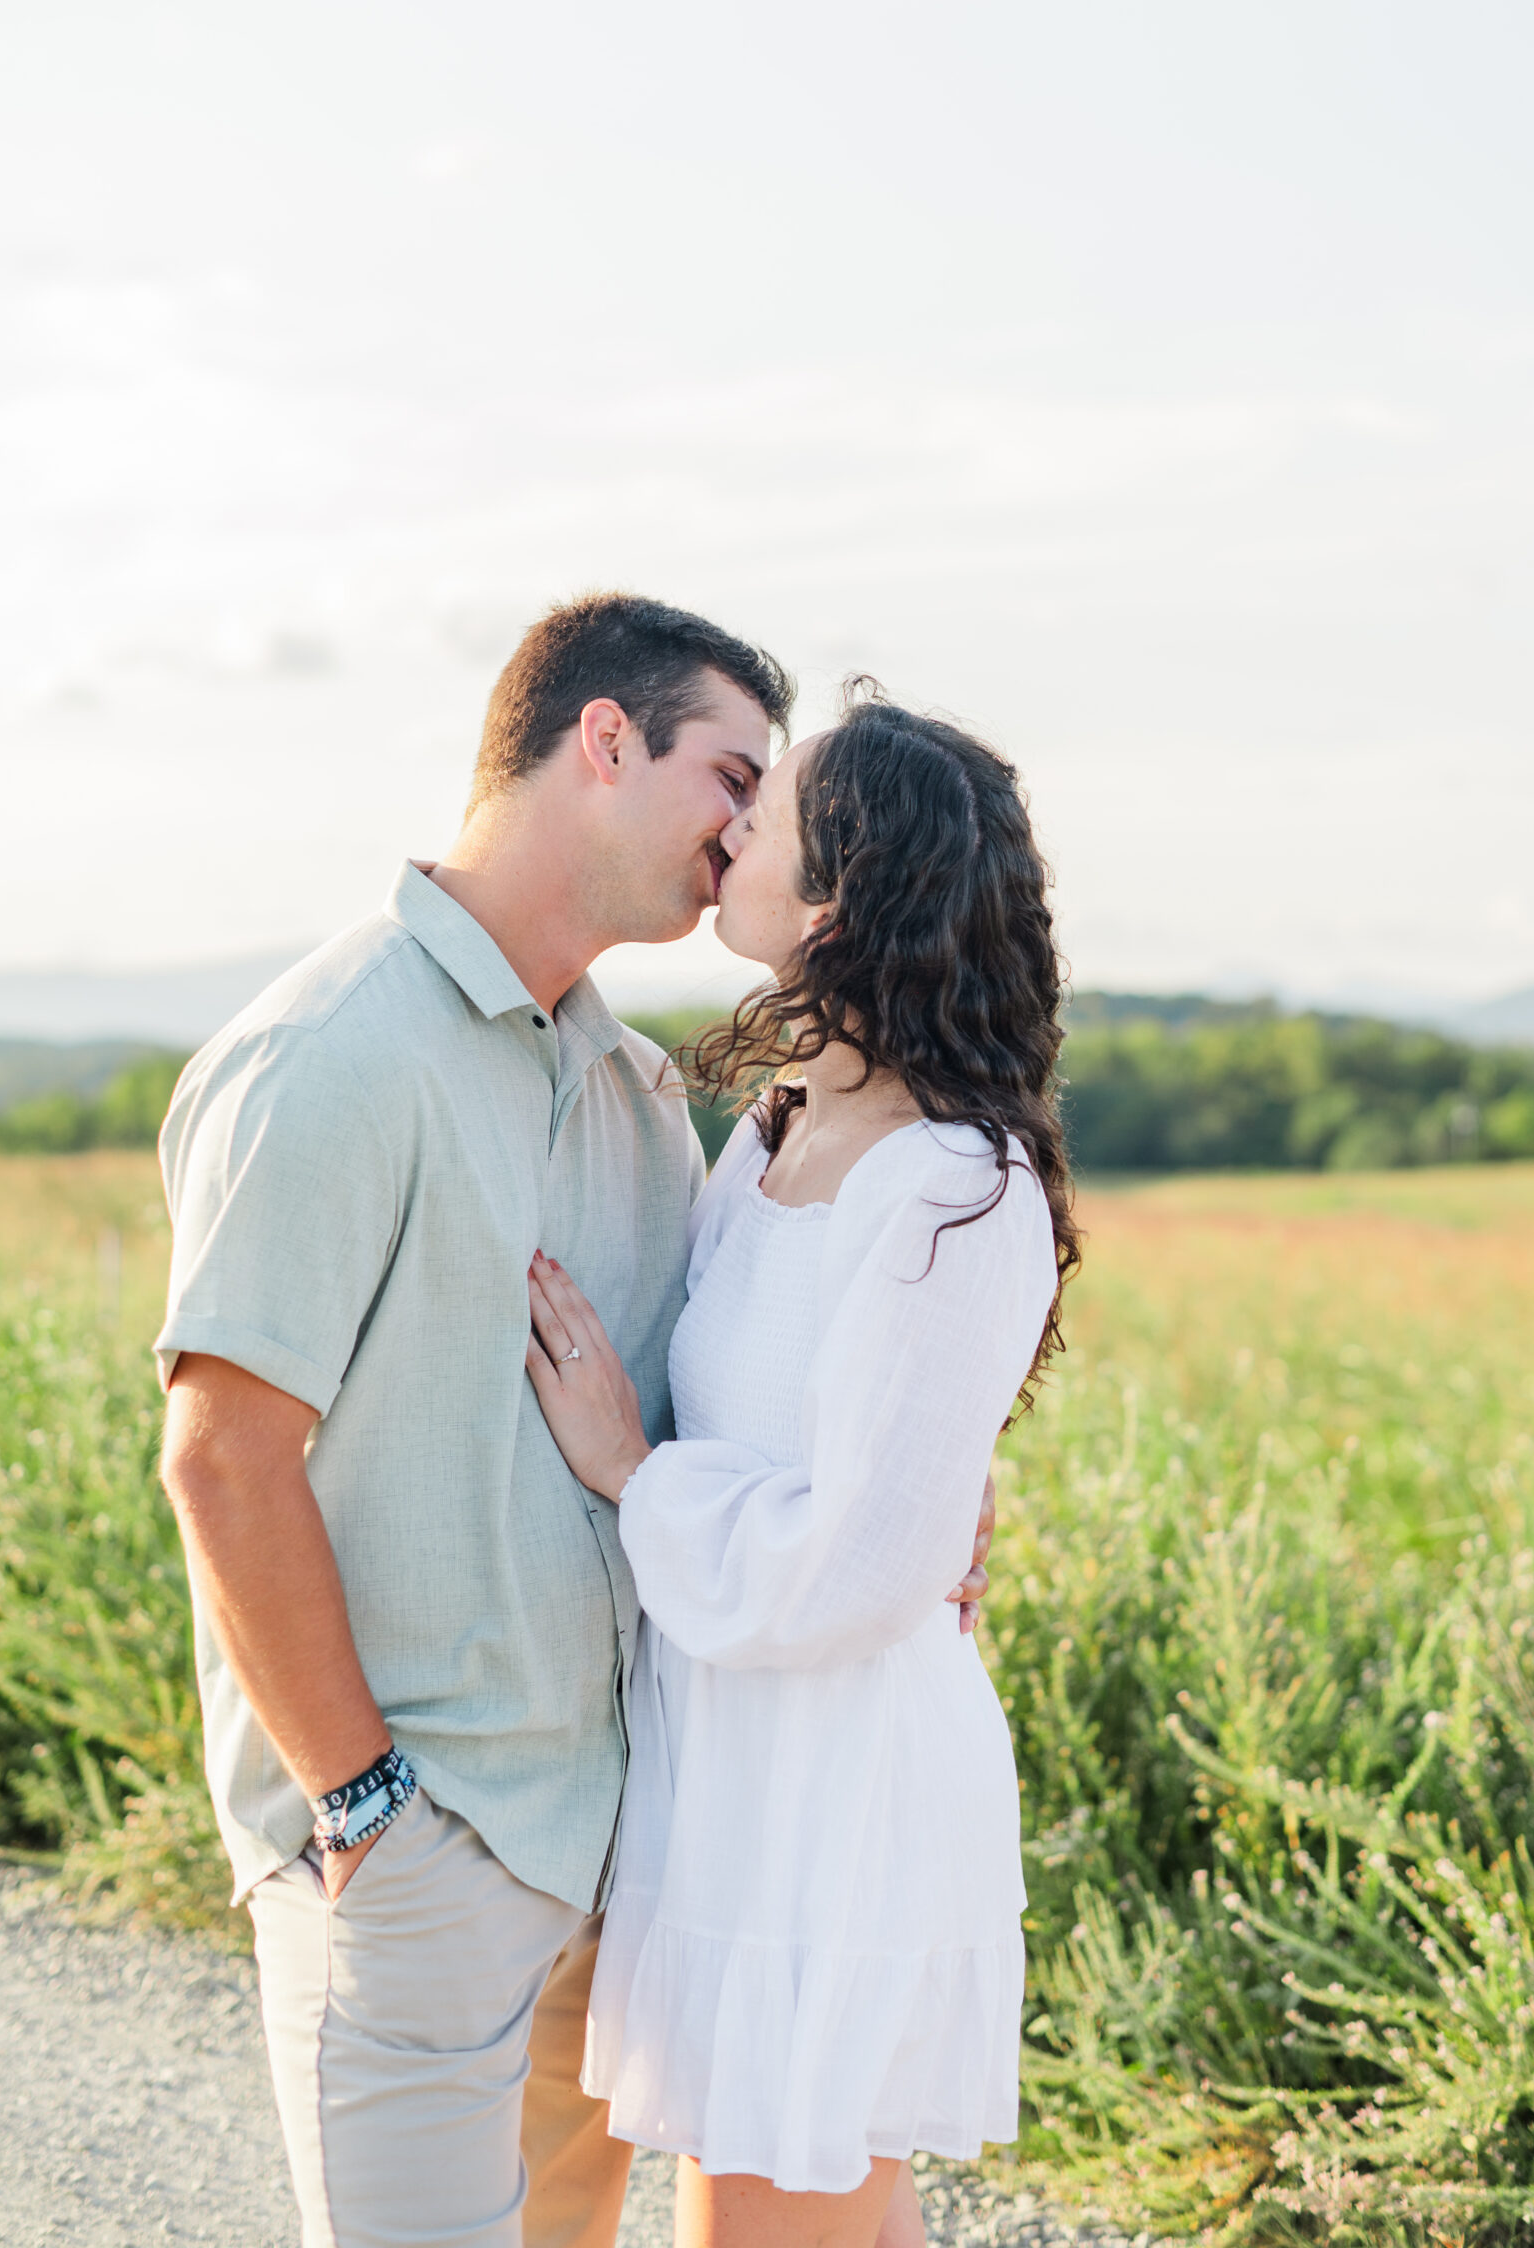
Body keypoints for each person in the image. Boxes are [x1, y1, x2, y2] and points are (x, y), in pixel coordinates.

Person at [154, 595, 993, 2248]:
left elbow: (725, 1411)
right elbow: (221, 1457)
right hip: (417, 1855)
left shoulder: (638, 1095)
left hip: (619, 1863)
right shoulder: (333, 1056)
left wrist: (917, 1499)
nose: (748, 831)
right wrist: (366, 1807)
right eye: (730, 775)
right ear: (603, 743)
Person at [524, 687, 1079, 2248]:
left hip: (837, 1789)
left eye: (764, 811)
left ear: (836, 894)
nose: (730, 826)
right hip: (734, 1763)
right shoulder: (770, 1131)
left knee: (767, 2225)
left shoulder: (956, 1187)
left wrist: (636, 1476)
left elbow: (859, 1570)